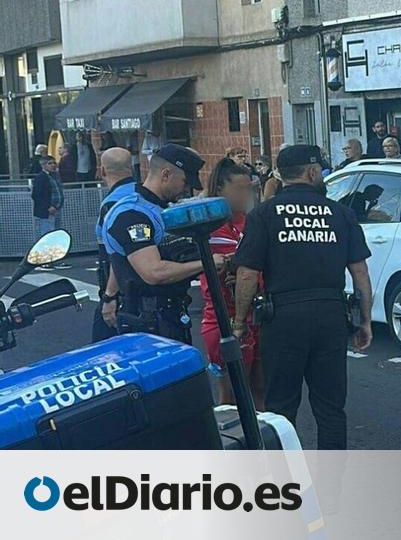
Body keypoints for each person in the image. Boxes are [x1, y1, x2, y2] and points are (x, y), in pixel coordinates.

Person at [232, 145, 372, 450]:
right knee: (331, 409)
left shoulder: (264, 214)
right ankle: (331, 487)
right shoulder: (340, 213)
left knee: (281, 408)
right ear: (310, 171)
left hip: (283, 319)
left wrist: (239, 322)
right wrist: (365, 322)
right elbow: (360, 273)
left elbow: (246, 274)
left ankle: (285, 487)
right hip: (330, 316)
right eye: (320, 169)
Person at [99, 145, 221, 342]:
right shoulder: (132, 214)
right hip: (146, 320)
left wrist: (109, 295)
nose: (186, 189)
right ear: (166, 174)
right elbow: (153, 273)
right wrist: (207, 263)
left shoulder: (158, 209)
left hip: (170, 313)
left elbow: (124, 258)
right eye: (184, 181)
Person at [199, 158, 265, 407]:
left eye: (249, 188)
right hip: (224, 319)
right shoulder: (208, 227)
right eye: (239, 188)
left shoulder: (252, 221)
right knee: (232, 397)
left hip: (257, 316)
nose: (245, 194)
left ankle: (262, 443)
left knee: (260, 389)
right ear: (219, 190)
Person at [92, 147, 137, 343]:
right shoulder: (142, 194)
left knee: (103, 348)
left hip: (121, 290)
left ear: (102, 171)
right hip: (145, 285)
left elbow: (116, 256)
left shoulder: (112, 205)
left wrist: (110, 296)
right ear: (132, 169)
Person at [31, 157, 70, 269]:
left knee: (56, 235)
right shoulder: (41, 177)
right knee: (47, 236)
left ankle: (56, 259)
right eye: (50, 163)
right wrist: (48, 207)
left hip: (56, 209)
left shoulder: (55, 176)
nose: (53, 165)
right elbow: (36, 195)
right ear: (43, 165)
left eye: (54, 163)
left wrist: (58, 205)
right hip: (47, 211)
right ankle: (45, 260)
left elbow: (58, 191)